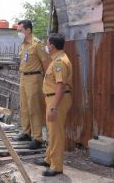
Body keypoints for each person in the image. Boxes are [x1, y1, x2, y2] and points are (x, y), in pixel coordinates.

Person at [34, 33, 72, 176]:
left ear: (53, 46)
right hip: (53, 98)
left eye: (47, 43)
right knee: (51, 132)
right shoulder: (56, 59)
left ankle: (56, 166)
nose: (46, 45)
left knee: (56, 134)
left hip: (57, 100)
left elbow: (61, 86)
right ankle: (49, 159)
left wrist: (53, 107)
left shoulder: (59, 62)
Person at [13, 20, 51, 149]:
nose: (19, 33)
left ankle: (38, 138)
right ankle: (26, 132)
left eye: (20, 31)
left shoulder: (37, 44)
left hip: (34, 78)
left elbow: (46, 62)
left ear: (28, 30)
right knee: (24, 107)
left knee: (34, 108)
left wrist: (47, 80)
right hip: (23, 77)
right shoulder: (24, 44)